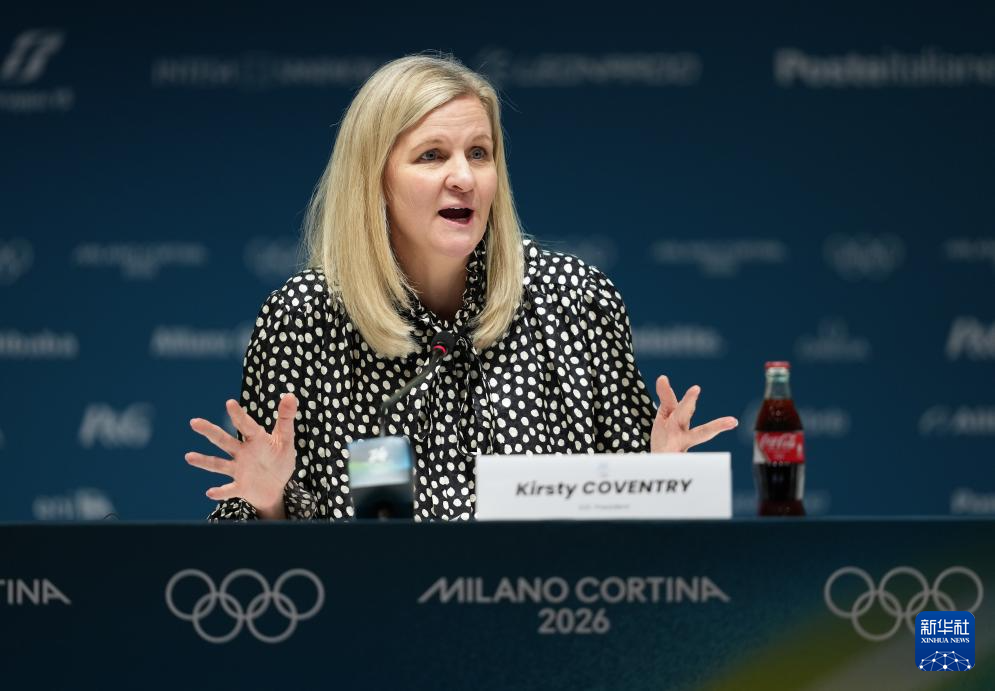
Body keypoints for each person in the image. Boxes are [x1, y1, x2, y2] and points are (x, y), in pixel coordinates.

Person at [184, 54, 739, 521]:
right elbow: (259, 568)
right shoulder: (303, 320)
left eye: (479, 153)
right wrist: (270, 503)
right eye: (432, 155)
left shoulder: (574, 299)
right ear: (374, 178)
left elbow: (643, 539)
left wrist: (667, 478)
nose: (465, 178)